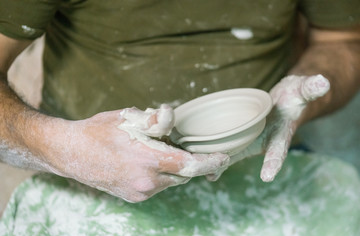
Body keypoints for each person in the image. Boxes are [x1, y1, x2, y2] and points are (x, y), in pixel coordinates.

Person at [0, 0, 359, 205]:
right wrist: (64, 148)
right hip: (92, 180)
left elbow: (341, 41)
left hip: (260, 168)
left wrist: (299, 102)